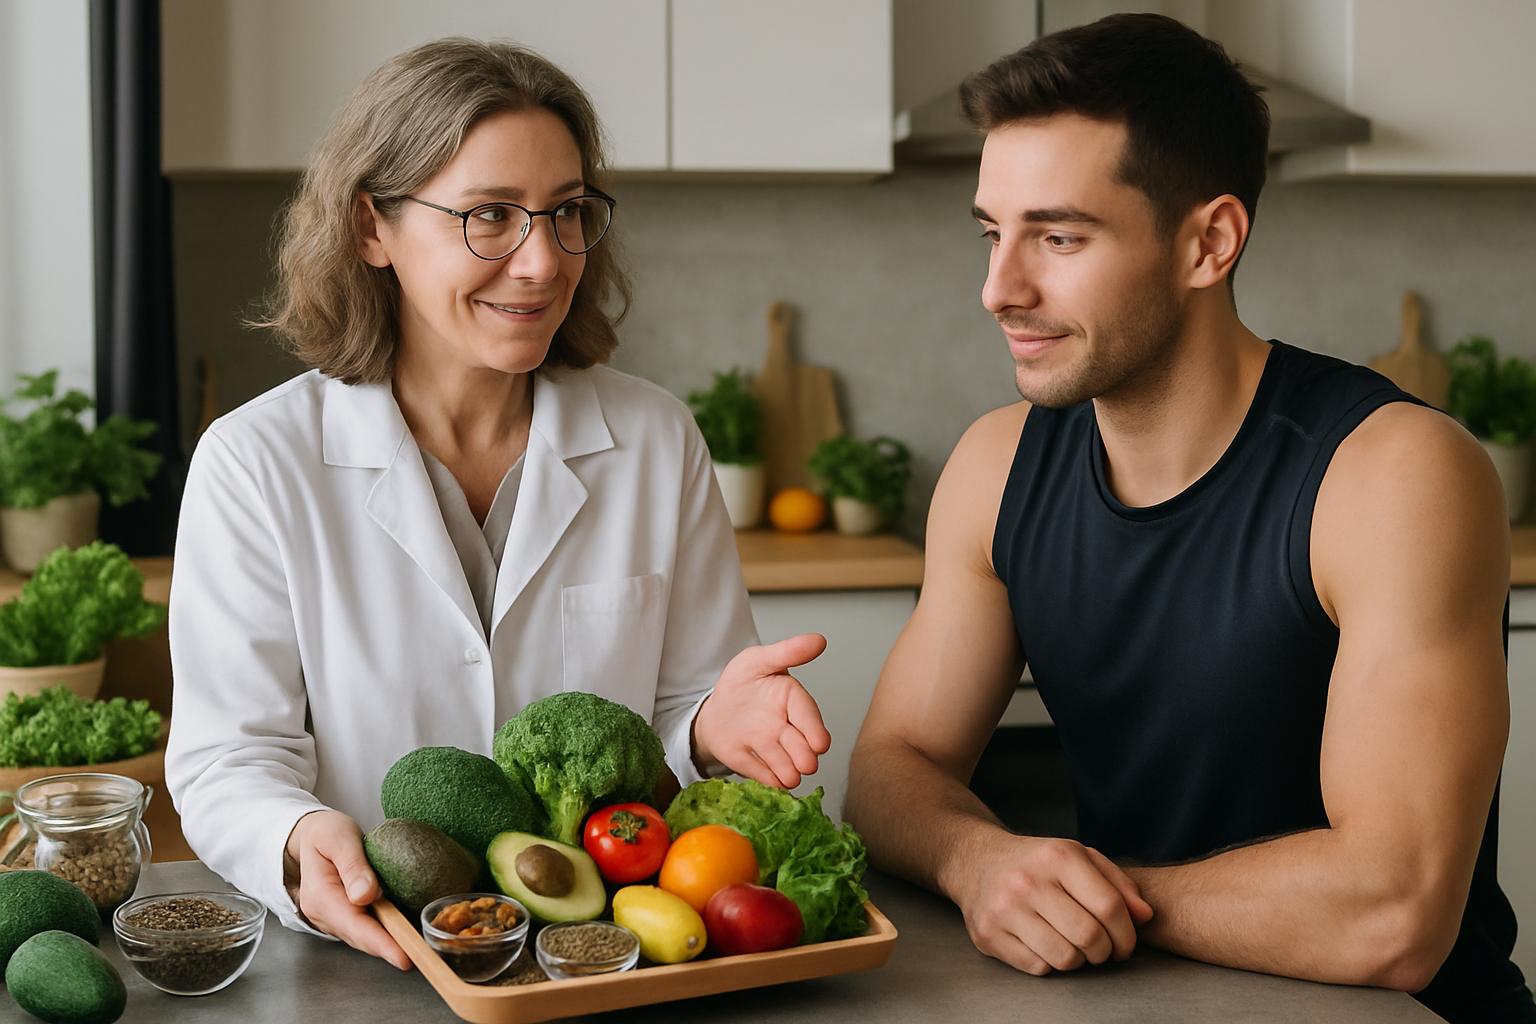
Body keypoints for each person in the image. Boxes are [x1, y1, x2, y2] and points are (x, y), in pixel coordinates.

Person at [842, 14, 1534, 1024]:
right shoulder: (998, 466)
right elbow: (893, 762)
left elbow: (1397, 909)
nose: (1000, 288)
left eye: (1059, 236)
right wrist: (979, 858)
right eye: (994, 233)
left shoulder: (1392, 476)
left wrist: (1088, 901)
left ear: (1208, 242)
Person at [165, 38, 830, 970]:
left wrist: (714, 726)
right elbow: (229, 760)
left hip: (604, 955)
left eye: (565, 215)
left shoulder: (655, 438)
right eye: (489, 216)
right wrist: (293, 839)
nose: (541, 261)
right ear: (373, 229)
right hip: (377, 956)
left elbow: (685, 704)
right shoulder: (255, 462)